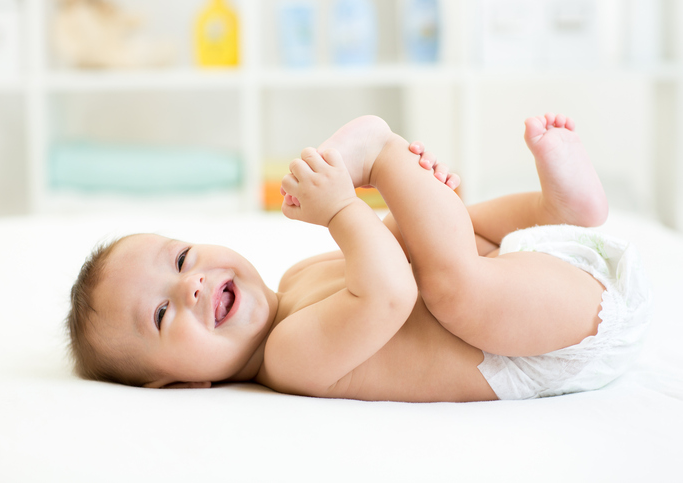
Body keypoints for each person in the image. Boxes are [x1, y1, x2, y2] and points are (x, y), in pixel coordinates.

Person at [67, 113, 652, 401]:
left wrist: (420, 203)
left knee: (459, 236)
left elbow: (394, 247)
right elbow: (391, 295)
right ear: (177, 385)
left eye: (181, 259)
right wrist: (350, 203)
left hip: (530, 277)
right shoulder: (286, 359)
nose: (189, 287)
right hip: (544, 346)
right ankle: (379, 149)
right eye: (162, 315)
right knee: (456, 292)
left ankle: (557, 210)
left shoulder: (296, 278)